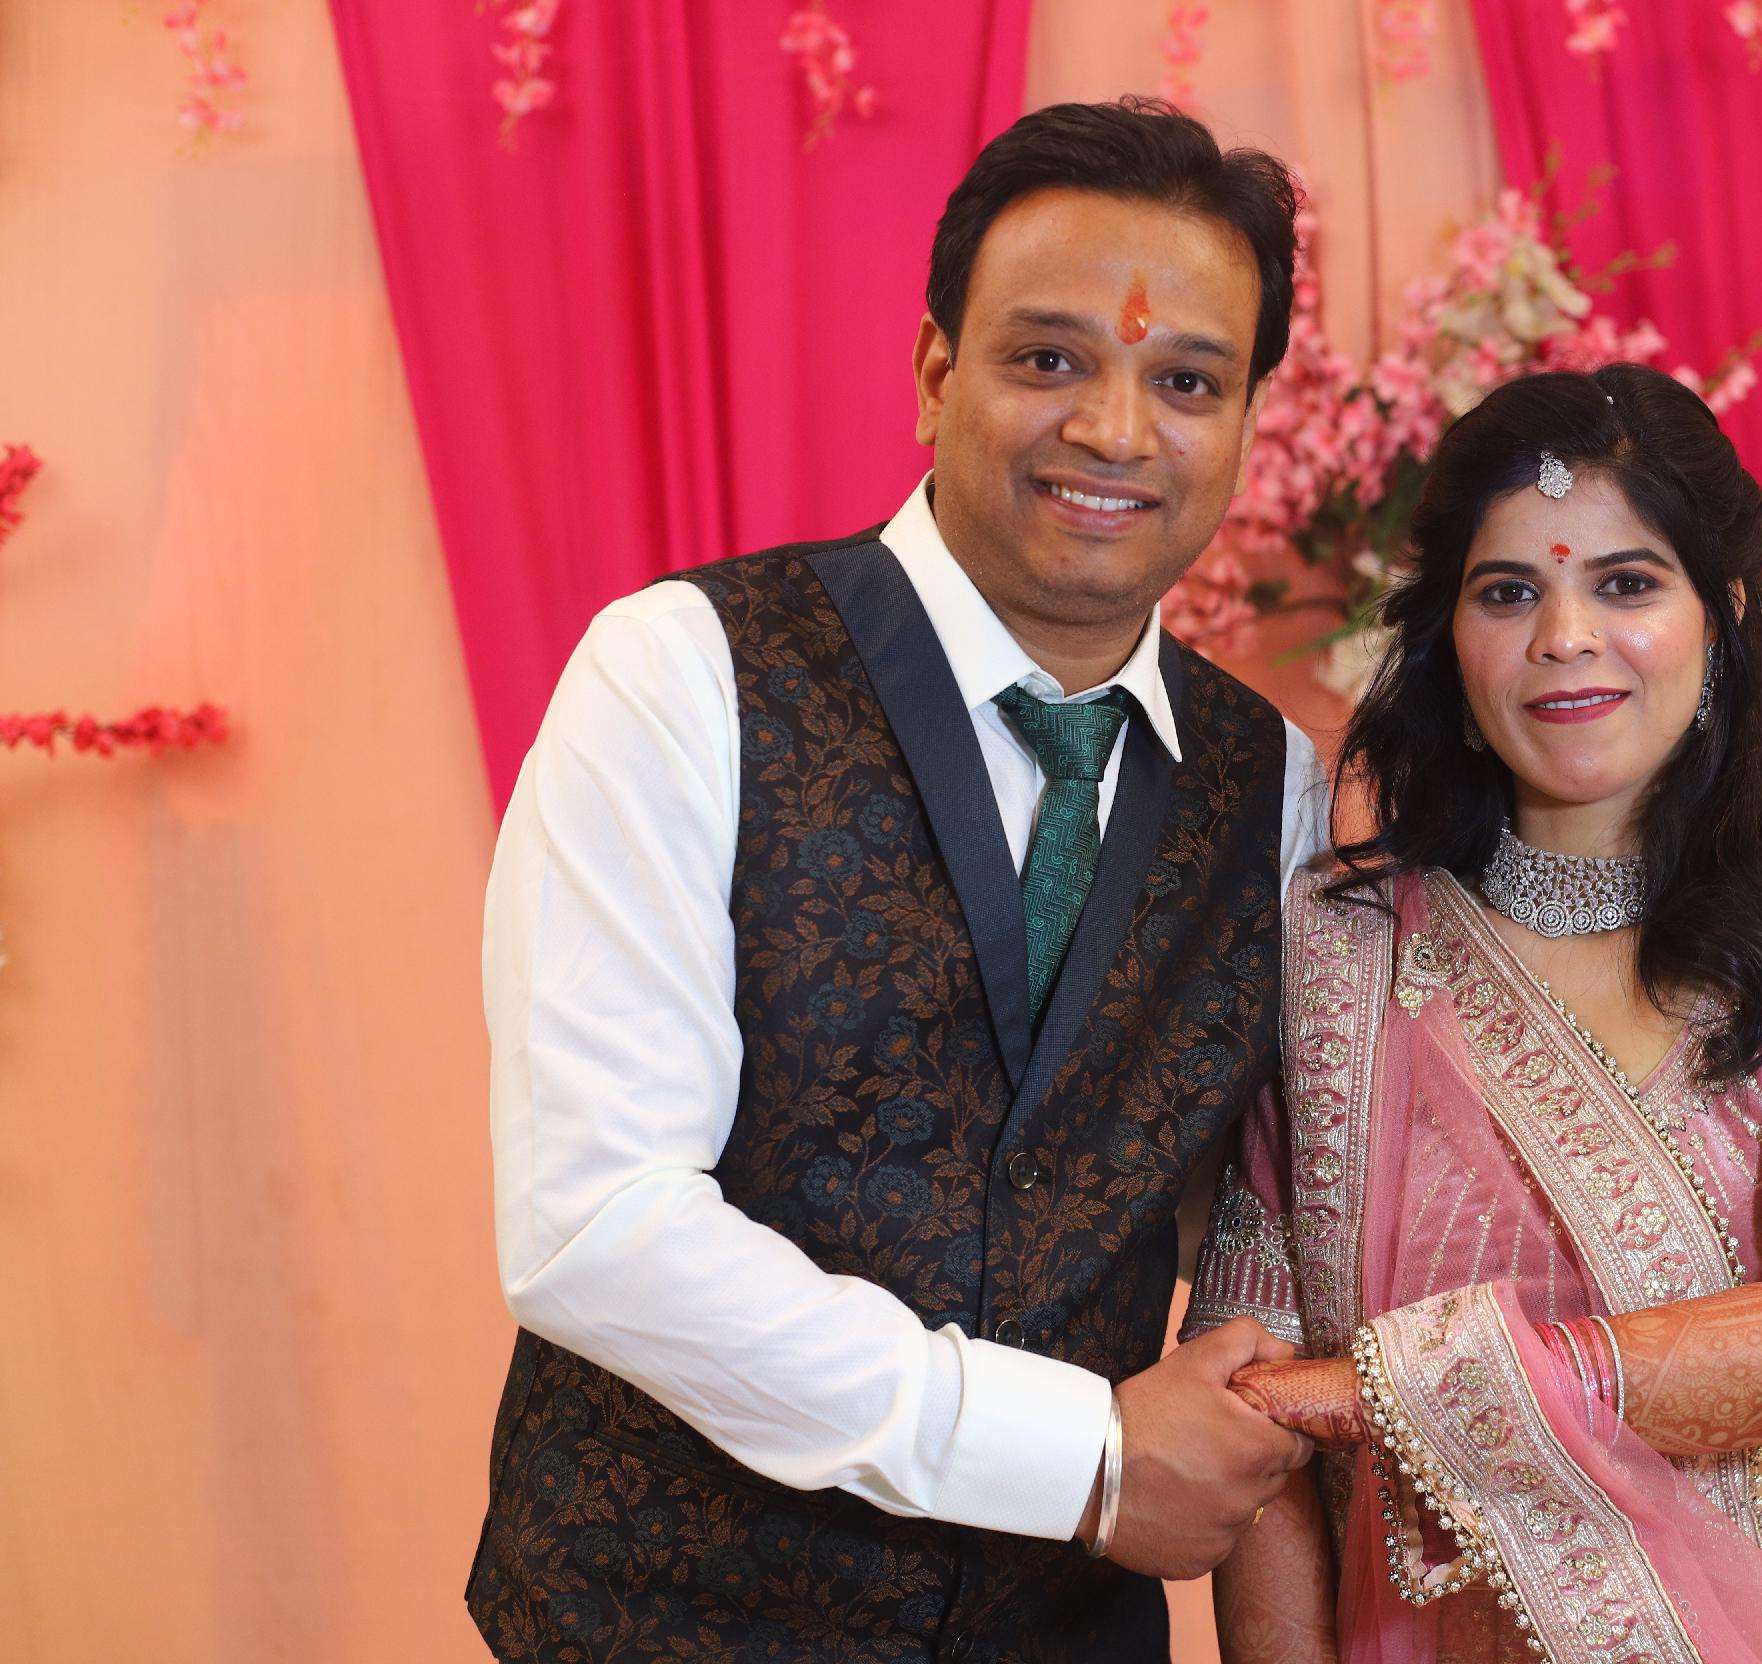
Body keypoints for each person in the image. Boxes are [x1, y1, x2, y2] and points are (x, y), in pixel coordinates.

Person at [465, 98, 1327, 1663]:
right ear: (936, 372)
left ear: (1248, 423)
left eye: (1187, 381)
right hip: (671, 1623)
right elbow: (598, 1221)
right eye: (1048, 359)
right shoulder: (685, 675)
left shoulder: (1268, 782)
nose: (1116, 431)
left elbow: (1270, 1217)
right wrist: (1077, 1457)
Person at [1186, 364, 1762, 1664]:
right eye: (1508, 593)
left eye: (1626, 583)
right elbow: (1254, 1405)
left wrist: (1376, 1394)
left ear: (1722, 616)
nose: (1564, 637)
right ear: (1449, 641)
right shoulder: (1338, 952)